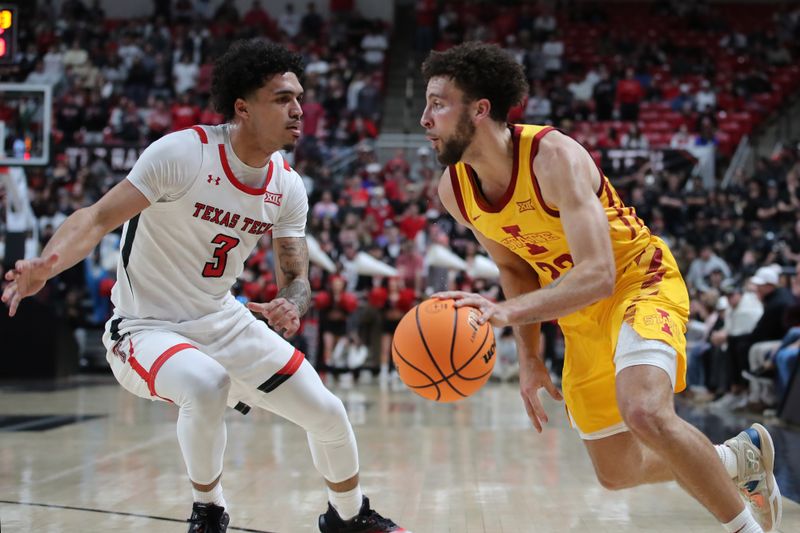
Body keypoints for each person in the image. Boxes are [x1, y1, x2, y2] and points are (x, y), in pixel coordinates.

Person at [2, 39, 406, 533]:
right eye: (282, 98)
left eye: (299, 97)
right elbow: (96, 217)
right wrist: (47, 265)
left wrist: (291, 304)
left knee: (327, 411)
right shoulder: (183, 154)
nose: (299, 109)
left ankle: (347, 517)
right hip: (144, 327)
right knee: (205, 383)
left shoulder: (287, 185)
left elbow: (296, 278)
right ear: (243, 107)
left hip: (222, 319)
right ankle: (209, 511)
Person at [420, 42, 781, 533]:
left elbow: (598, 273)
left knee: (644, 411)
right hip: (577, 315)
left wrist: (504, 315)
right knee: (617, 472)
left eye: (438, 103)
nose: (424, 118)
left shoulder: (554, 157)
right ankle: (735, 459)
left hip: (639, 282)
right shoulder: (454, 190)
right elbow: (515, 270)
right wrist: (529, 358)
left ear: (480, 109)